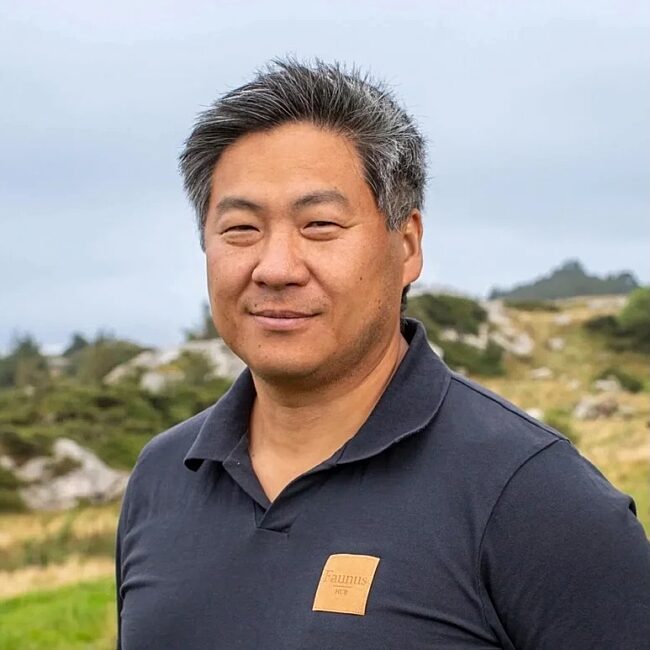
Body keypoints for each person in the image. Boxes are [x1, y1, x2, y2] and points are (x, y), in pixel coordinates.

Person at [115, 59, 650, 649]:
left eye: (319, 224)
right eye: (241, 229)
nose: (276, 268)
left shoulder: (535, 496)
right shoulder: (163, 476)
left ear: (408, 245)